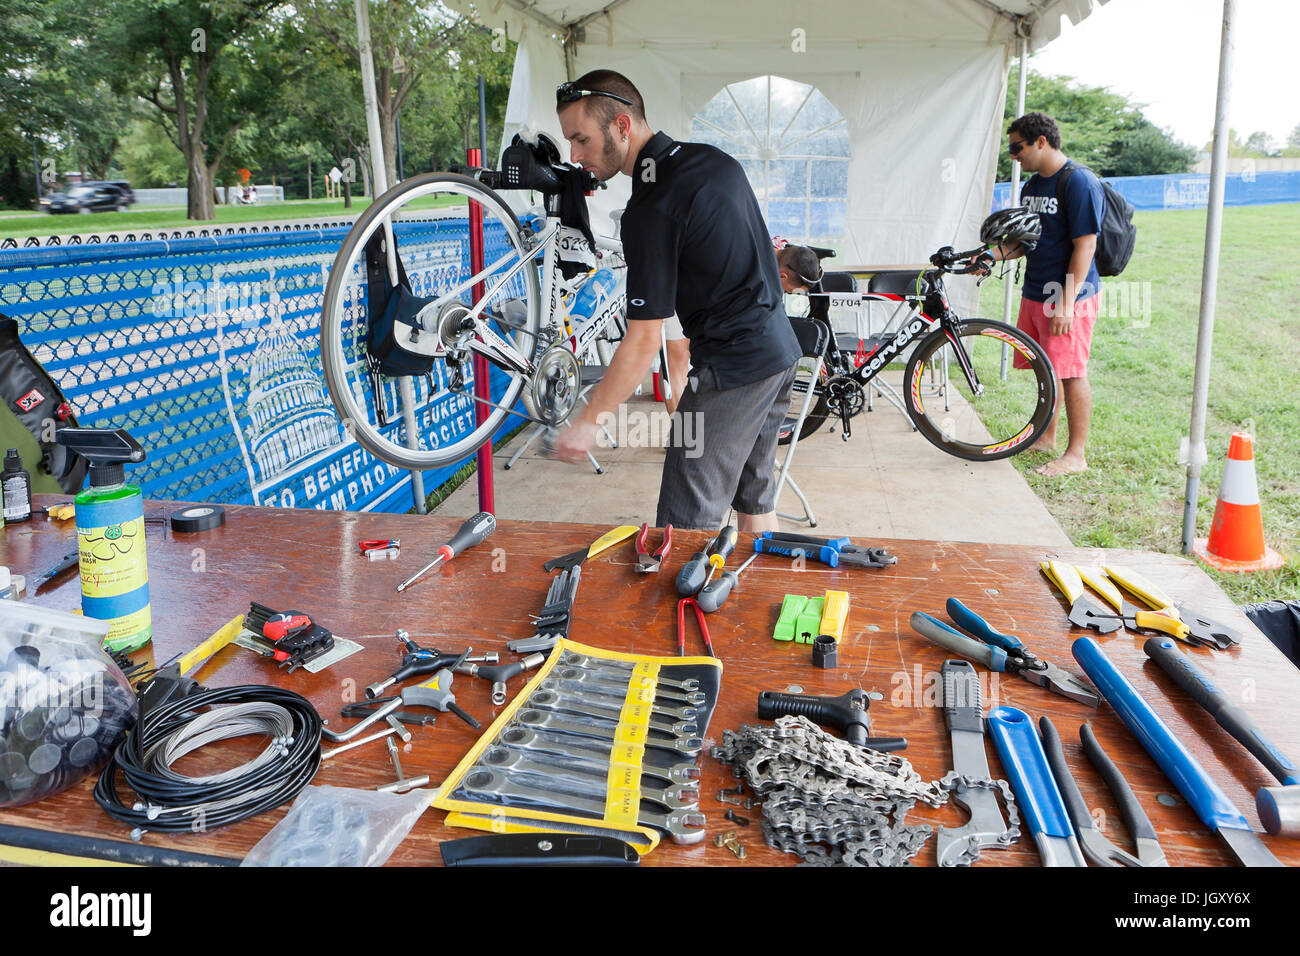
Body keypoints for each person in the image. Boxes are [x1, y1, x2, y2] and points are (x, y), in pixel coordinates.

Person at [552, 70, 802, 532]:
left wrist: (590, 419)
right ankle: (764, 596)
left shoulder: (651, 208)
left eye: (581, 139)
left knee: (683, 531)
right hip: (779, 354)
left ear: (622, 126)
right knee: (754, 505)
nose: (575, 155)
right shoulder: (711, 160)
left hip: (733, 371)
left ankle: (692, 605)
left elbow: (645, 338)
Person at [987, 111, 1105, 476]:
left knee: (1070, 372)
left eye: (1017, 146)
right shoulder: (1031, 187)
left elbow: (1085, 246)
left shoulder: (1079, 182)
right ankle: (1046, 437)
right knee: (1045, 367)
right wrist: (988, 256)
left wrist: (1067, 302)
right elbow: (1024, 244)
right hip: (1036, 289)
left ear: (1041, 141)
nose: (1013, 155)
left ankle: (1076, 455)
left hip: (1069, 293)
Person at [662, 241, 819, 415]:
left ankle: (690, 435)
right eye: (789, 291)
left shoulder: (764, 252)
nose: (785, 293)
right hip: (677, 286)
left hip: (702, 305)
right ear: (783, 276)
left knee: (688, 361)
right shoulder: (751, 258)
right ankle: (684, 437)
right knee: (677, 360)